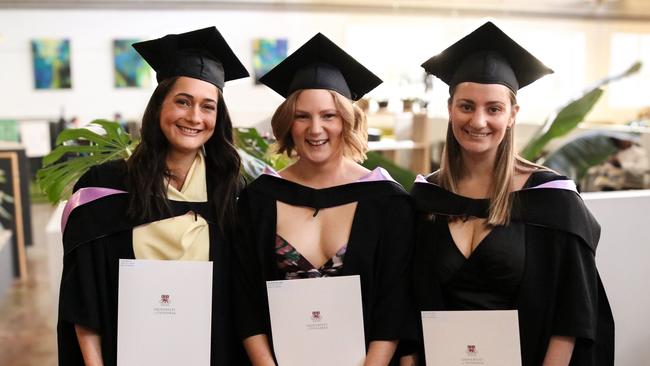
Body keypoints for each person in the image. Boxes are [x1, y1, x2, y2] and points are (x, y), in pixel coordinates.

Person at [410, 22, 614, 365]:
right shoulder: (428, 197)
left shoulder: (552, 199)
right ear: (450, 109)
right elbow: (408, 300)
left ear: (512, 115)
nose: (478, 121)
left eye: (493, 108)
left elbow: (571, 316)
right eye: (466, 106)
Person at [57, 27, 249, 365]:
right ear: (159, 105)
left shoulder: (230, 191)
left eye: (208, 107)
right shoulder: (106, 187)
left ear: (218, 118)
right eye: (183, 101)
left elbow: (245, 297)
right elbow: (83, 297)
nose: (194, 117)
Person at [232, 33, 418, 365]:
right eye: (302, 116)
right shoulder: (258, 200)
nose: (315, 129)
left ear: (347, 120)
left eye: (328, 116)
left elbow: (394, 303)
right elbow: (245, 299)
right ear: (288, 122)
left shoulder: (386, 202)